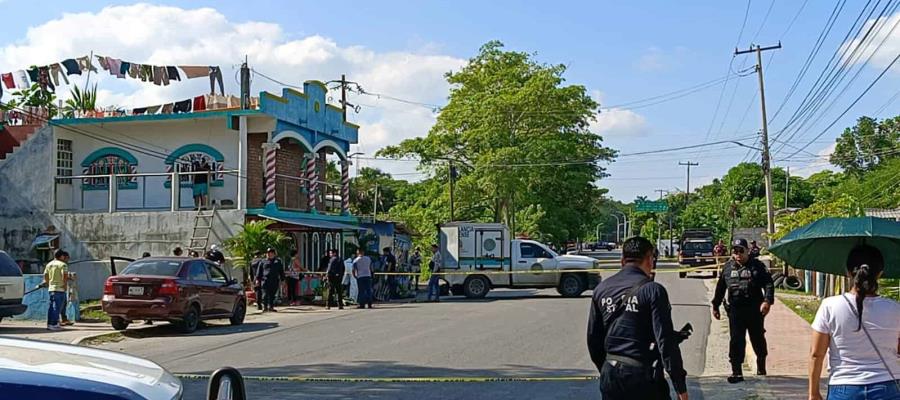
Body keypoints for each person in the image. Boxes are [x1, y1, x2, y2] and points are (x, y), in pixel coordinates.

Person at [587, 237, 689, 400]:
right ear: (650, 260)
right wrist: (680, 387)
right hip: (643, 376)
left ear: (622, 260)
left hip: (611, 374)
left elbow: (593, 340)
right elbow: (665, 342)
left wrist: (607, 369)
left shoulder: (602, 289)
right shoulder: (653, 290)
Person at [808, 245, 900, 400]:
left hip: (844, 387)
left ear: (848, 272)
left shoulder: (829, 306)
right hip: (888, 386)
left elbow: (816, 354)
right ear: (880, 274)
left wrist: (813, 393)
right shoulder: (895, 308)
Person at [711, 238, 774, 383]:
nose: (738, 254)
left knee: (757, 338)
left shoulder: (757, 266)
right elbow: (720, 288)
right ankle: (736, 372)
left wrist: (767, 301)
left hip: (754, 310)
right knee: (736, 340)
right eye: (735, 251)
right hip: (735, 310)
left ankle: (761, 367)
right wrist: (715, 305)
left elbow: (768, 284)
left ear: (747, 251)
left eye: (741, 251)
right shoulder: (728, 267)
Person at [42, 250, 70, 331]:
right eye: (64, 256)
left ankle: (50, 324)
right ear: (61, 256)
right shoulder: (63, 265)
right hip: (59, 289)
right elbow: (64, 275)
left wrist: (48, 283)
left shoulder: (49, 264)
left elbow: (46, 275)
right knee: (57, 307)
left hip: (51, 288)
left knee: (51, 307)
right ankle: (54, 324)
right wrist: (64, 285)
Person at [255, 248, 284, 312]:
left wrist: (282, 280)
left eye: (271, 253)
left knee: (272, 294)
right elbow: (259, 271)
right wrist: (257, 280)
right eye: (268, 253)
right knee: (265, 294)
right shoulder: (263, 262)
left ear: (274, 254)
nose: (270, 254)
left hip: (274, 280)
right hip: (265, 280)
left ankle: (271, 307)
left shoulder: (278, 262)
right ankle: (265, 307)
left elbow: (281, 272)